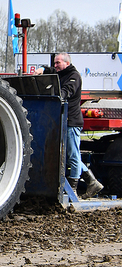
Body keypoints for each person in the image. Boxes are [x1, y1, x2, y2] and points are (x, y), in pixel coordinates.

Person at [35, 52, 103, 198]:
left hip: (72, 121)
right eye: (54, 63)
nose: (55, 66)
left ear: (67, 63)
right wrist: (43, 69)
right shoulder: (61, 72)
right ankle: (92, 182)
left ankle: (73, 188)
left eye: (58, 63)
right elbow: (51, 71)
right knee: (69, 155)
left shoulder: (74, 76)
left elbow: (66, 92)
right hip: (64, 120)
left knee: (73, 155)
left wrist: (51, 93)